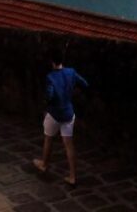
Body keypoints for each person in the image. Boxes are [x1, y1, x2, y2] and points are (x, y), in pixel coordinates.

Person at [33, 47, 88, 186]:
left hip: (55, 114)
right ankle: (72, 176)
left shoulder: (50, 77)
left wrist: (47, 105)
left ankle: (44, 164)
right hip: (68, 112)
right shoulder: (71, 72)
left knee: (48, 139)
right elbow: (84, 84)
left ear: (52, 61)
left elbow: (50, 96)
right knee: (69, 144)